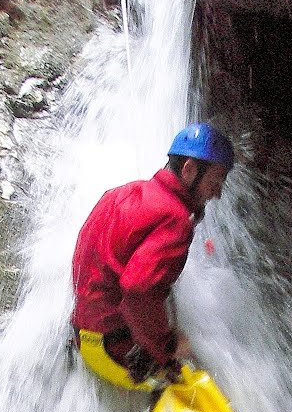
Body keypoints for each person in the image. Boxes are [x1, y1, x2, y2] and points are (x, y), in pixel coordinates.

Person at [70, 122, 234, 389]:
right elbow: (137, 290)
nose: (217, 193)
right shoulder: (175, 220)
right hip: (113, 349)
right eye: (215, 181)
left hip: (84, 334)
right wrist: (167, 347)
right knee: (192, 386)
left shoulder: (123, 193)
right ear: (189, 170)